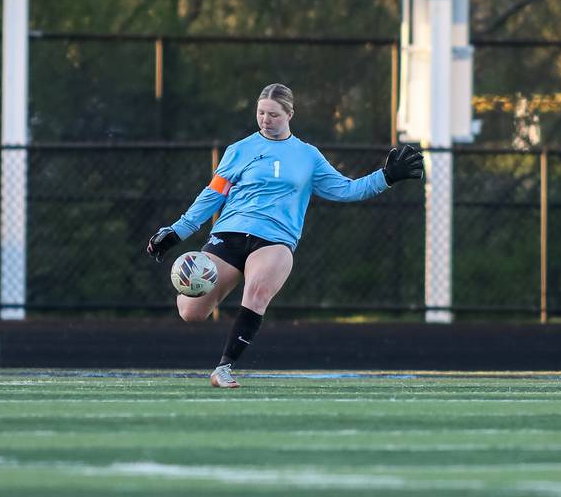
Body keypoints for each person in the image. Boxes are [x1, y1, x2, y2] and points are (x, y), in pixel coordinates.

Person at [147, 83, 424, 388]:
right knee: (191, 312)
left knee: (257, 293)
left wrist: (386, 177)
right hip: (229, 233)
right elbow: (212, 196)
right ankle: (193, 298)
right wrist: (177, 231)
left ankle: (224, 368)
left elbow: (347, 189)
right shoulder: (238, 150)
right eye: (261, 112)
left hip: (275, 240)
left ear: (290, 114)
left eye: (274, 114)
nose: (266, 119)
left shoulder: (308, 156)